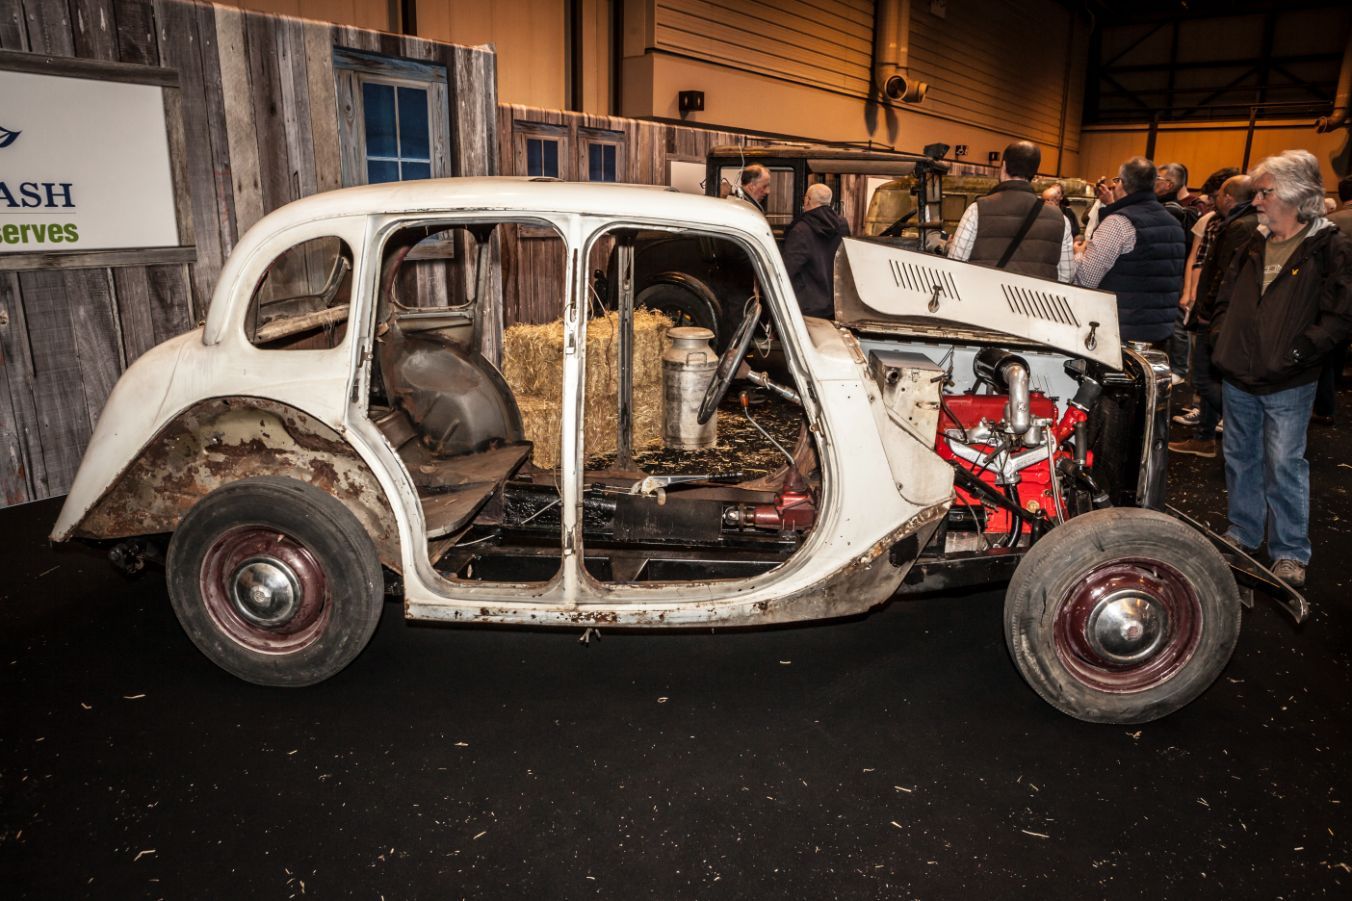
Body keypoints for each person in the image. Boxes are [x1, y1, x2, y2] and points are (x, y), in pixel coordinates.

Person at [1208, 150, 1352, 589]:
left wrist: (1300, 352)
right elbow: (1225, 296)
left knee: (1284, 464)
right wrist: (1220, 336)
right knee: (1240, 457)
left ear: (1293, 194)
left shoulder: (1329, 245)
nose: (1256, 201)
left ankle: (1289, 551)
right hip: (1239, 372)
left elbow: (1341, 313)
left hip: (1290, 379)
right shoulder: (1254, 240)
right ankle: (1244, 532)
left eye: (1264, 192)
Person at [1169, 174, 1258, 458]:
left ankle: (1243, 423)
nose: (1214, 198)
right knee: (1211, 379)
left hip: (1218, 315)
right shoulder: (1235, 223)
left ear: (1229, 197)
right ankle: (1204, 437)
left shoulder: (1239, 227)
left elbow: (1222, 275)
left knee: (1204, 379)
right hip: (1220, 313)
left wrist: (1206, 311)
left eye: (1219, 194)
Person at [1073, 156, 1187, 344]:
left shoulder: (1118, 223)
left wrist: (1078, 254)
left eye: (1116, 181)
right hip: (1159, 330)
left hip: (1119, 330)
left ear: (1122, 184)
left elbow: (1086, 279)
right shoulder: (1174, 224)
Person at [946, 140, 1074, 281]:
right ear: (1034, 173)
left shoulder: (977, 210)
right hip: (1034, 301)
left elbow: (955, 264)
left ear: (1004, 166)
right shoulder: (1061, 220)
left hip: (984, 298)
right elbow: (1066, 276)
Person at [782, 183, 850, 318]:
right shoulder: (842, 224)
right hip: (836, 303)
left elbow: (788, 269)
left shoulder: (800, 229)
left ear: (807, 200)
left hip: (808, 305)